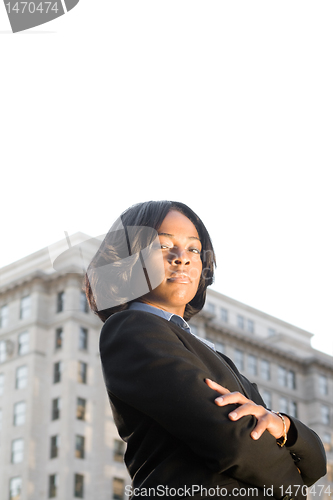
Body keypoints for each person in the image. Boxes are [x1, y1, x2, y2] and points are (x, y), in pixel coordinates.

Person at [85, 201, 326, 500]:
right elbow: (234, 441)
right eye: (163, 246)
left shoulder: (210, 354)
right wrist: (295, 485)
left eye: (194, 250)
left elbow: (316, 464)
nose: (181, 259)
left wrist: (283, 426)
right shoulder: (130, 329)